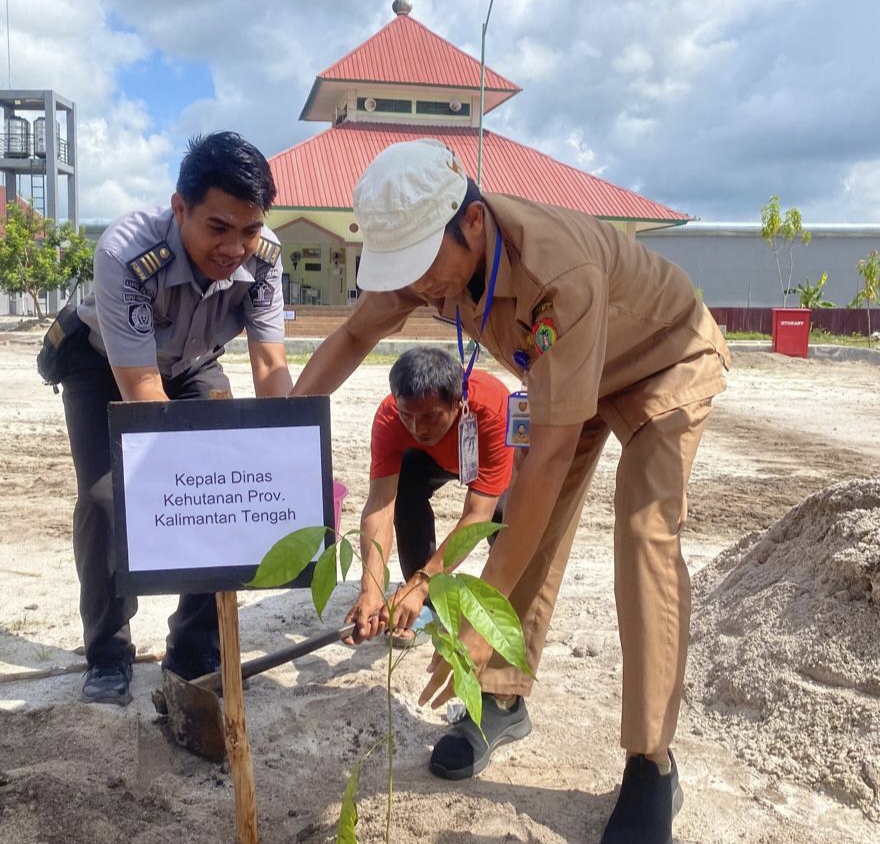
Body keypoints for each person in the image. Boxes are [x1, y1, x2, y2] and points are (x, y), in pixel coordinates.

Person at [291, 139, 730, 844]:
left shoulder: (560, 273)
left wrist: (473, 629)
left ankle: (652, 761)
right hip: (566, 378)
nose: (419, 289)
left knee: (644, 534)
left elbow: (546, 462)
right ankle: (499, 702)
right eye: (405, 272)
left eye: (424, 268)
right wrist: (272, 435)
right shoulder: (422, 259)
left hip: (662, 360)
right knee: (528, 530)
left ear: (472, 221)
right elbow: (350, 338)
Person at [50, 131, 292, 706]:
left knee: (228, 489)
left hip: (194, 363)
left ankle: (193, 644)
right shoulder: (125, 252)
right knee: (107, 500)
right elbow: (142, 391)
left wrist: (287, 458)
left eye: (249, 229)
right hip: (105, 366)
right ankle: (107, 651)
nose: (234, 247)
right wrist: (187, 479)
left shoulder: (263, 257)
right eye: (218, 227)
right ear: (180, 207)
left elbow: (270, 367)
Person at [344, 347, 512, 648]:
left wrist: (421, 585)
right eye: (407, 416)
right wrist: (371, 588)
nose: (417, 428)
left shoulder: (492, 411)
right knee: (405, 485)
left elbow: (477, 516)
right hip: (430, 459)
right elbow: (380, 505)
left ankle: (504, 595)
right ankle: (423, 606)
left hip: (488, 454)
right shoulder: (389, 417)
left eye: (430, 416)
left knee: (508, 517)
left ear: (458, 402)